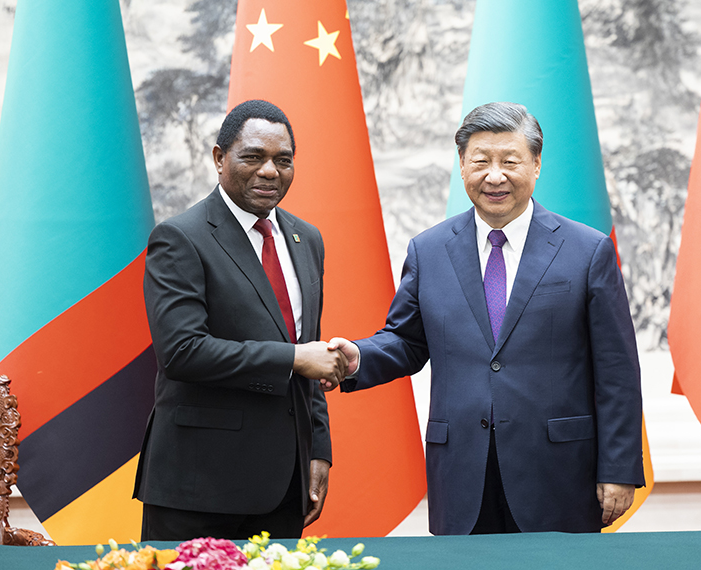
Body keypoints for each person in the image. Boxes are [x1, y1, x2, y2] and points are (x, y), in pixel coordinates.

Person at [331, 102, 644, 535]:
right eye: (481, 162)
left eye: (510, 162)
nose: (495, 176)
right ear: (462, 165)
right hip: (462, 473)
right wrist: (356, 357)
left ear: (536, 164)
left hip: (557, 474)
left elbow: (617, 371)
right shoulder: (429, 251)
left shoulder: (587, 251)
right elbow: (406, 341)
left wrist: (619, 468)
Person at [133, 100, 348, 541]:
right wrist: (293, 358)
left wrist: (318, 450)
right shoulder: (180, 237)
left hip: (284, 487)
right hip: (199, 488)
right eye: (253, 156)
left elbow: (310, 352)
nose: (270, 171)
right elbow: (182, 352)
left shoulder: (307, 239)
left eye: (283, 160)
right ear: (219, 158)